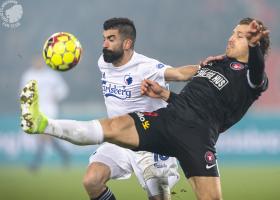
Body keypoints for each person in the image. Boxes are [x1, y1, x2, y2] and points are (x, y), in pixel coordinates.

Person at [20, 17, 270, 200]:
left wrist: (256, 47)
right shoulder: (216, 64)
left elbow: (255, 72)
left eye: (240, 36)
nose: (231, 37)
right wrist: (165, 94)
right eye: (233, 32)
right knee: (112, 131)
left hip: (198, 136)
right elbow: (195, 102)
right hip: (167, 118)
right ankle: (43, 123)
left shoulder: (252, 77)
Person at [82, 18, 201, 200]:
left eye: (111, 39)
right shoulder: (104, 62)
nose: (104, 44)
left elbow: (178, 74)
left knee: (158, 197)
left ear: (127, 43)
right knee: (92, 181)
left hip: (151, 142)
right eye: (104, 38)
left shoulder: (146, 67)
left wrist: (208, 67)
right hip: (120, 139)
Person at [20, 55, 70, 171]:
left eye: (40, 61)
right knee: (46, 136)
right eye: (36, 61)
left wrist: (56, 96)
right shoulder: (28, 75)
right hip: (35, 110)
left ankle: (35, 164)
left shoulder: (51, 75)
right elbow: (22, 92)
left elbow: (63, 90)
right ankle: (64, 154)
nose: (38, 63)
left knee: (44, 135)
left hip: (50, 109)